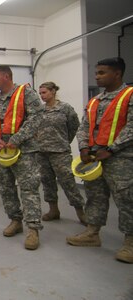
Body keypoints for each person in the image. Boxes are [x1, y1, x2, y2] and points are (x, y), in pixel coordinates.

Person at [66, 57, 133, 264]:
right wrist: (84, 147)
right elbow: (84, 126)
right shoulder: (95, 100)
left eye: (102, 73)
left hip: (121, 158)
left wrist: (111, 150)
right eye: (96, 72)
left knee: (126, 199)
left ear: (117, 74)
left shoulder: (129, 95)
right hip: (94, 157)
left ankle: (130, 242)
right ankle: (92, 233)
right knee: (95, 196)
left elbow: (131, 127)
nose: (97, 76)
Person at [0, 65, 44, 250]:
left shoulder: (26, 93)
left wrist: (16, 139)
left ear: (6, 76)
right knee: (5, 188)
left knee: (28, 189)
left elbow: (36, 119)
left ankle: (33, 229)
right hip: (3, 153)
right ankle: (15, 220)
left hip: (25, 152)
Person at [36, 82, 86, 224]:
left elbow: (74, 127)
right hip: (42, 152)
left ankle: (80, 212)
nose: (42, 96)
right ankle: (53, 210)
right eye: (40, 93)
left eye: (44, 92)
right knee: (47, 182)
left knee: (68, 182)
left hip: (60, 152)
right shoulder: (40, 110)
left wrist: (64, 141)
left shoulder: (65, 108)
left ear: (53, 92)